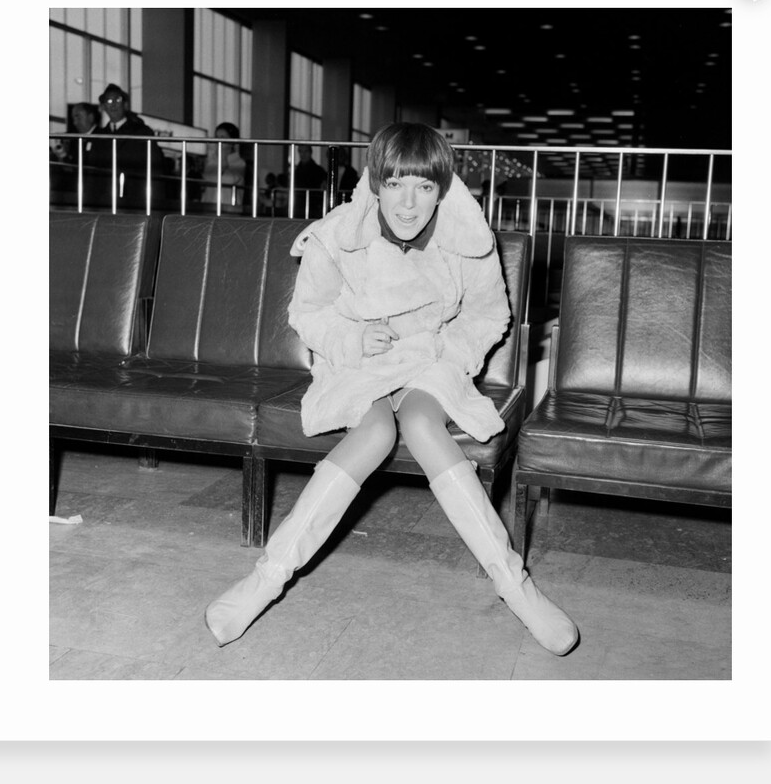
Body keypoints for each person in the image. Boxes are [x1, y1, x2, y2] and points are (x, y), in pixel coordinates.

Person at [205, 122, 579, 657]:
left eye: (424, 187)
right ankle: (265, 580)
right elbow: (307, 313)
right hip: (356, 359)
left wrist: (446, 351)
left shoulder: (466, 241)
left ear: (442, 189)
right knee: (377, 429)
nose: (408, 202)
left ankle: (515, 586)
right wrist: (354, 337)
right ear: (375, 181)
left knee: (424, 423)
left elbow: (490, 314)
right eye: (396, 183)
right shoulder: (338, 234)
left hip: (431, 357)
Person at [90, 83, 165, 209]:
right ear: (103, 107)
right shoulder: (99, 136)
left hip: (136, 198)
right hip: (105, 199)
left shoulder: (142, 132)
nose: (113, 104)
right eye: (108, 101)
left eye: (117, 100)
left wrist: (155, 200)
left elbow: (155, 166)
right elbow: (92, 170)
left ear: (125, 104)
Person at [201, 122, 248, 208]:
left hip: (229, 209)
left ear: (232, 141)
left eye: (223, 138)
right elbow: (207, 178)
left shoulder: (239, 162)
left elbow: (228, 180)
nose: (219, 141)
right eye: (217, 137)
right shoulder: (211, 160)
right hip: (209, 206)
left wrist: (223, 157)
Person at [292, 144, 327, 217]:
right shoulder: (296, 170)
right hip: (298, 207)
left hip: (313, 208)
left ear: (310, 152)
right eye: (301, 151)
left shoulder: (319, 171)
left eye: (306, 151)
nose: (303, 154)